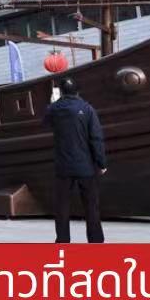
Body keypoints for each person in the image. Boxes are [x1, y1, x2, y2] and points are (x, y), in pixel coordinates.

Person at [44, 77, 106, 243]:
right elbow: (96, 138)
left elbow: (45, 122)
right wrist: (101, 162)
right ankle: (95, 240)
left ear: (61, 91)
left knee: (62, 206)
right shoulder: (87, 109)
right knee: (91, 206)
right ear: (78, 91)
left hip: (63, 166)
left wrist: (53, 102)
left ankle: (63, 240)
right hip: (86, 166)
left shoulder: (54, 109)